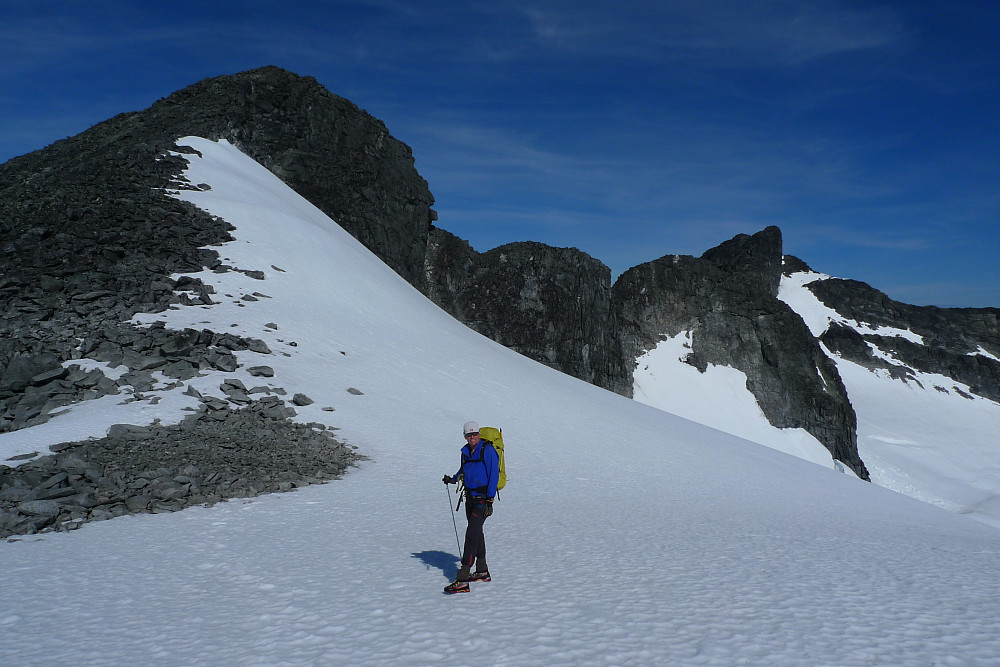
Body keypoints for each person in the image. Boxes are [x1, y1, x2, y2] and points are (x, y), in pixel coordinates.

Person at [442, 420, 500, 594]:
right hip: (470, 498)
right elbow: (463, 469)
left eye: (475, 434)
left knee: (471, 533)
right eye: (469, 435)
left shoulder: (488, 450)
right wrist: (453, 479)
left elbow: (494, 475)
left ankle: (463, 577)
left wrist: (490, 499)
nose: (472, 437)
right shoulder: (465, 452)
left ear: (479, 435)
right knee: (477, 532)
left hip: (483, 500)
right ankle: (482, 570)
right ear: (465, 436)